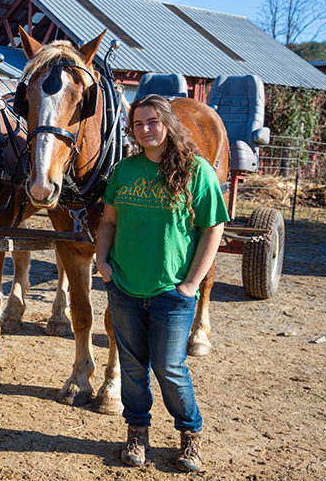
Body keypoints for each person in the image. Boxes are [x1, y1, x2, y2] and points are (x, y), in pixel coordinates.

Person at [95, 94, 229, 471]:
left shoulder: (196, 170)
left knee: (170, 368)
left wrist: (191, 284)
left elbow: (213, 228)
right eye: (137, 124)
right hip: (124, 288)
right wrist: (102, 260)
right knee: (133, 369)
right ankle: (137, 433)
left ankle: (190, 435)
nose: (145, 130)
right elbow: (108, 221)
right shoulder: (125, 171)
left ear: (168, 123)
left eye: (152, 122)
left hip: (171, 292)